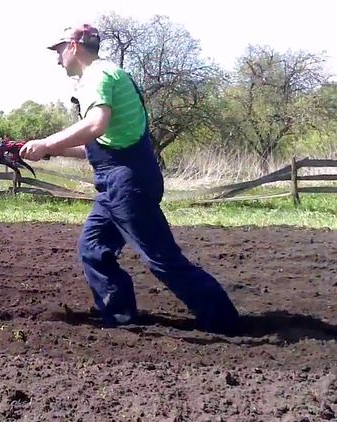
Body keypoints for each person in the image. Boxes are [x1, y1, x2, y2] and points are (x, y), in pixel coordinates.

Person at [20, 23, 241, 335]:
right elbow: (98, 146)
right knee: (93, 247)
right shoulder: (108, 75)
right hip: (118, 182)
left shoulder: (96, 75)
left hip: (127, 185)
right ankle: (119, 316)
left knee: (162, 259)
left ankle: (224, 320)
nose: (56, 59)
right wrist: (49, 152)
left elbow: (96, 124)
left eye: (58, 50)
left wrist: (48, 143)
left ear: (74, 46)